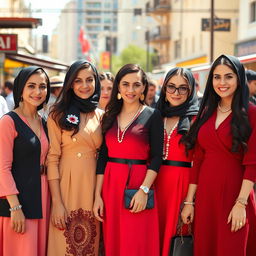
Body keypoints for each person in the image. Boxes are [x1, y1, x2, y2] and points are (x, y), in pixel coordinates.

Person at [181, 55, 256, 256]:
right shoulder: (205, 113)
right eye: (217, 77)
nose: (222, 83)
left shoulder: (251, 113)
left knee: (231, 248)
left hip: (236, 194)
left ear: (239, 79)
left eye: (228, 77)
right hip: (206, 196)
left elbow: (252, 164)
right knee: (206, 247)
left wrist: (241, 203)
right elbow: (197, 160)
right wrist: (189, 202)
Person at [93, 64, 164, 256]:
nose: (130, 90)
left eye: (136, 84)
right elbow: (103, 158)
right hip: (111, 185)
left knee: (136, 241)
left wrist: (144, 190)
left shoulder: (152, 115)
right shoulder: (109, 115)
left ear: (143, 88)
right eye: (125, 84)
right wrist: (97, 196)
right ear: (118, 87)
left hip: (138, 184)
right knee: (114, 241)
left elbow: (158, 157)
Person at [47, 60, 103, 256]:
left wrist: (99, 196)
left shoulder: (102, 116)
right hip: (65, 186)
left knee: (89, 245)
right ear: (70, 84)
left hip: (93, 187)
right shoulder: (56, 115)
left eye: (89, 80)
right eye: (78, 81)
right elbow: (52, 159)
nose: (84, 85)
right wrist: (57, 203)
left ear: (96, 81)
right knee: (63, 245)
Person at [0, 66, 50, 256]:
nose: (38, 92)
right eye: (31, 86)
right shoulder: (8, 121)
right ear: (20, 88)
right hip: (17, 200)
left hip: (42, 196)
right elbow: (2, 168)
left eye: (42, 86)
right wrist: (15, 206)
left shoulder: (44, 121)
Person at [155, 67, 199, 256]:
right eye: (171, 87)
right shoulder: (154, 115)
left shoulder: (196, 118)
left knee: (176, 238)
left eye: (183, 88)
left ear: (191, 92)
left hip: (181, 185)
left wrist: (189, 201)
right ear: (164, 89)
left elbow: (198, 162)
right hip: (154, 183)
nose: (176, 93)